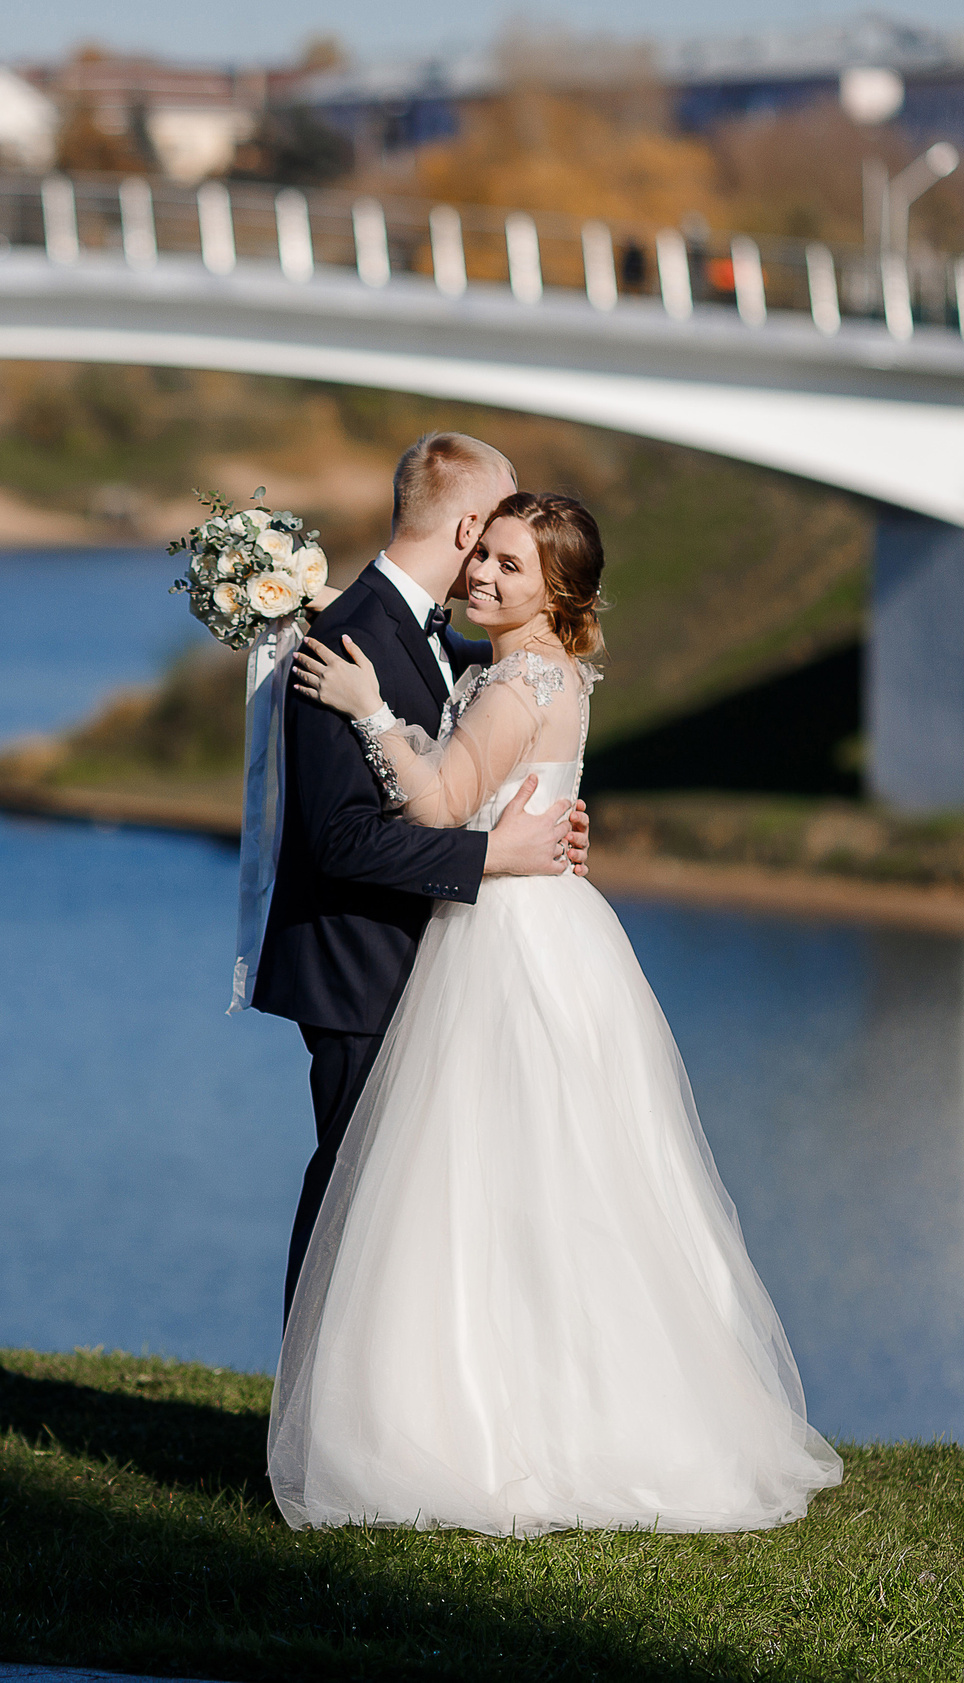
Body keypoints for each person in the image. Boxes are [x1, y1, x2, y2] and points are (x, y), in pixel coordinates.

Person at [268, 490, 842, 1534]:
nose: (483, 576)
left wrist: (365, 708)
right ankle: (558, 1411)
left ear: (556, 591)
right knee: (559, 1180)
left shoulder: (518, 678)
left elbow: (440, 806)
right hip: (554, 927)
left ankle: (498, 1432)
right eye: (481, 555)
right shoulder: (545, 671)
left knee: (483, 1183)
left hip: (504, 941)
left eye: (511, 568)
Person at [238, 432, 588, 1326]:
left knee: (412, 1224)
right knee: (349, 1216)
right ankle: (307, 1442)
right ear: (469, 525)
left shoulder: (422, 631)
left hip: (434, 969)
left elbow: (505, 697)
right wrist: (494, 854)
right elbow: (341, 842)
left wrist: (544, 805)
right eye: (498, 531)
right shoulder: (347, 642)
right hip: (362, 971)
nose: (494, 554)